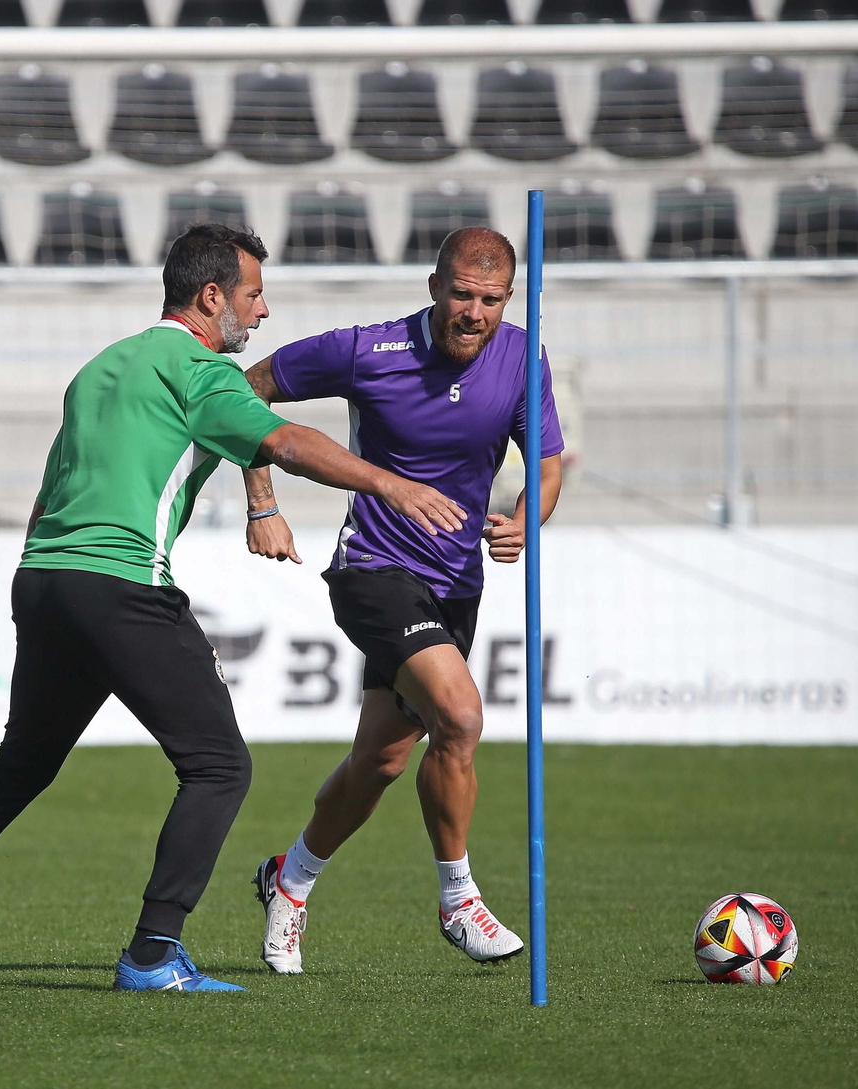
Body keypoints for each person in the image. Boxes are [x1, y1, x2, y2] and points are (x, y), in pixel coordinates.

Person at [0, 224, 468, 994]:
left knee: (21, 762)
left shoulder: (98, 368)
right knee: (220, 766)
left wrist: (39, 588)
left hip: (43, 578)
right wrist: (393, 485)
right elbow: (285, 438)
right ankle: (152, 951)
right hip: (121, 585)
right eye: (253, 295)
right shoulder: (198, 370)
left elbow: (50, 493)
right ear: (211, 296)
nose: (263, 312)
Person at [240, 227, 565, 973]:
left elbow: (545, 466)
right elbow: (246, 387)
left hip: (455, 583)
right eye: (460, 293)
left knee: (381, 761)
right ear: (433, 286)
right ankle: (458, 898)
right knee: (459, 714)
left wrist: (525, 521)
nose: (473, 311)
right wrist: (261, 499)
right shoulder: (369, 350)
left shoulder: (524, 357)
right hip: (373, 568)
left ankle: (287, 882)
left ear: (508, 299)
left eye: (490, 299)